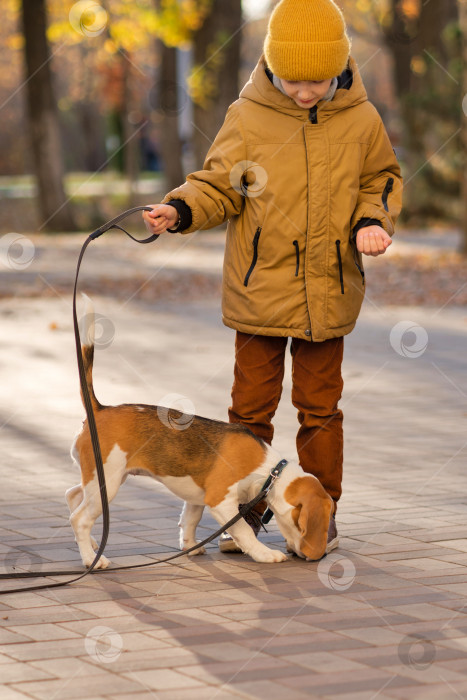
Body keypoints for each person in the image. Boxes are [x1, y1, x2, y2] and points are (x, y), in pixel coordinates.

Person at [143, 0, 403, 556]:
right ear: (270, 66)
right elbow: (217, 184)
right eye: (292, 79)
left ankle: (320, 511)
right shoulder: (249, 115)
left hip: (328, 290)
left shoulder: (362, 119)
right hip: (259, 290)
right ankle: (248, 512)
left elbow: (380, 179)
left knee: (320, 410)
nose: (304, 92)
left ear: (340, 66)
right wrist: (181, 210)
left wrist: (372, 222)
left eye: (316, 80)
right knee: (250, 411)